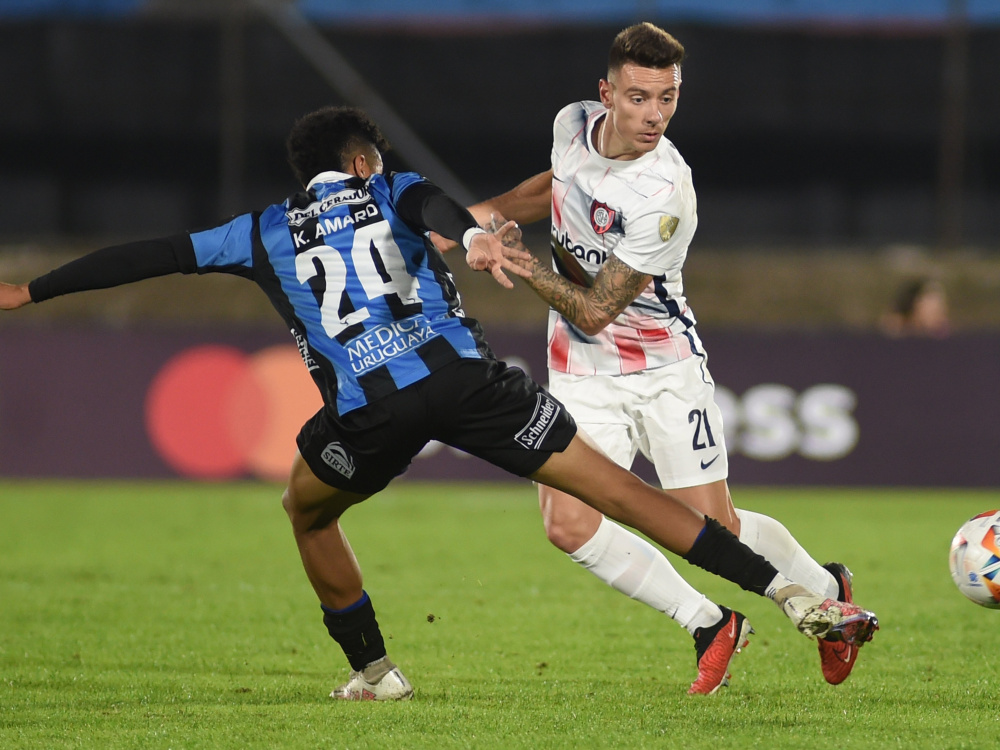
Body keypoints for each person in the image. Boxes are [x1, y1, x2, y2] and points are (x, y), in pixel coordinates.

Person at [0, 105, 877, 701]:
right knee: (622, 494)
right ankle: (794, 598)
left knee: (306, 513)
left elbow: (149, 255)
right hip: (469, 388)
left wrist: (30, 291)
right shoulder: (390, 189)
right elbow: (445, 211)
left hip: (368, 416)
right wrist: (474, 239)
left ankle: (375, 672)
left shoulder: (257, 231)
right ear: (360, 163)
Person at [462, 22, 873, 688]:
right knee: (567, 523)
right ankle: (708, 622)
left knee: (713, 528)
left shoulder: (664, 194)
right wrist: (484, 213)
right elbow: (559, 184)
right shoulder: (572, 124)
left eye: (668, 98)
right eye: (640, 98)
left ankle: (828, 589)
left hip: (662, 370)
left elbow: (595, 311)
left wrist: (521, 262)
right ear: (607, 95)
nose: (655, 114)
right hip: (580, 372)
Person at [880, 276, 951, 338]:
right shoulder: (896, 329)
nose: (939, 315)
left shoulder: (942, 334)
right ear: (915, 305)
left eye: (938, 310)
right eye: (933, 311)